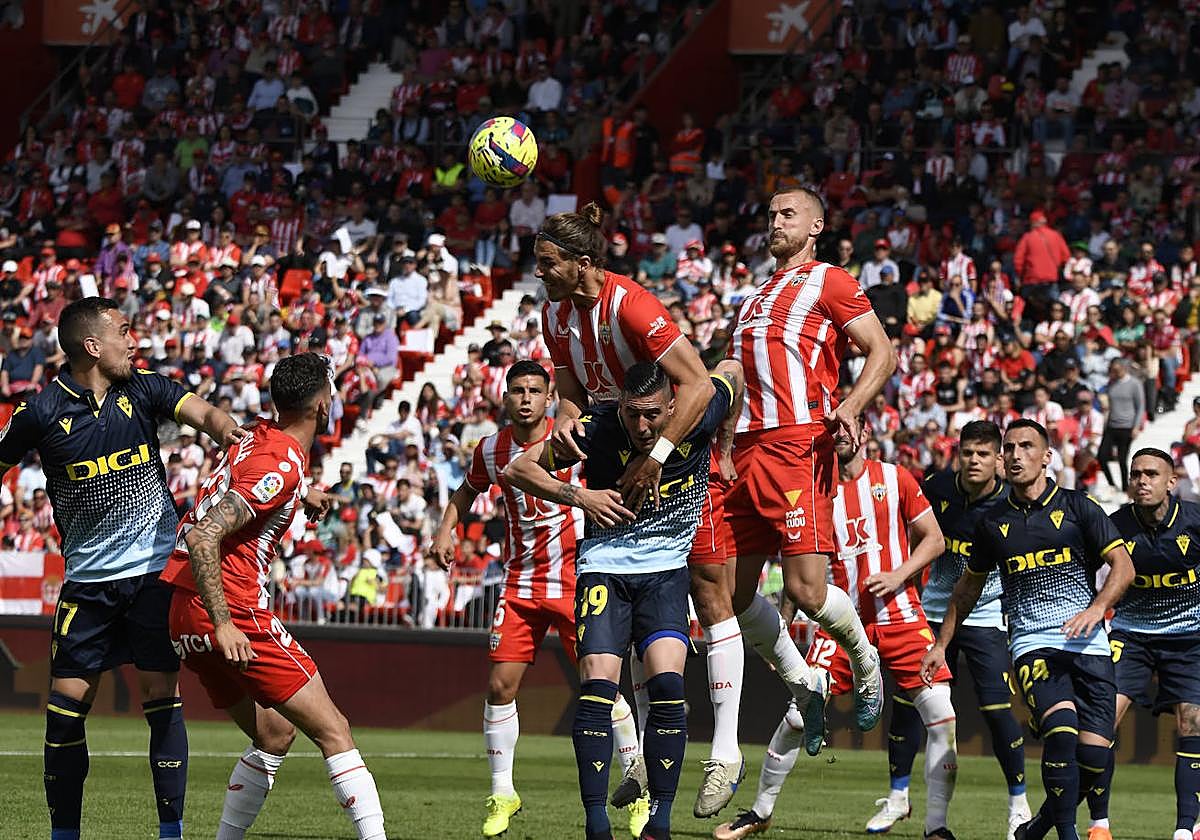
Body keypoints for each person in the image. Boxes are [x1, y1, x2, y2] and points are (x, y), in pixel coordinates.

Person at [535, 203, 749, 818]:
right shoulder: (555, 315)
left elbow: (701, 383)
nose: (539, 274)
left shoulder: (631, 305)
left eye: (548, 264)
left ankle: (726, 752)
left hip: (673, 451)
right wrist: (567, 422)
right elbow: (572, 395)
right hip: (617, 451)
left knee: (712, 593)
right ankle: (636, 761)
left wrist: (668, 454)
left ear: (582, 262)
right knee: (627, 626)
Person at [0, 296, 242, 840]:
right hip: (88, 585)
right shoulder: (40, 412)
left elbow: (205, 414)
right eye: (125, 332)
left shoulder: (144, 388)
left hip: (154, 576)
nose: (134, 342)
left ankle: (171, 833)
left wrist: (229, 432)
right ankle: (64, 834)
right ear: (93, 346)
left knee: (162, 698)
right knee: (65, 711)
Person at [505, 360, 742, 840]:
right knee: (597, 689)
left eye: (652, 414)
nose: (641, 425)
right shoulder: (596, 428)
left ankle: (659, 824)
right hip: (604, 570)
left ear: (672, 407)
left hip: (665, 573)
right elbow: (518, 468)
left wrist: (725, 447)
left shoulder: (699, 414)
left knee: (669, 688)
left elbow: (733, 371)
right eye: (632, 414)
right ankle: (596, 825)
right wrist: (580, 496)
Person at [160, 353, 388, 840]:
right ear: (322, 406)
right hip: (228, 608)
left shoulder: (258, 435)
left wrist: (302, 491)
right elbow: (204, 536)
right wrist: (225, 623)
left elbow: (261, 477)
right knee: (334, 730)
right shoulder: (281, 463)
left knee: (274, 733)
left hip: (181, 612)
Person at [429, 361, 643, 838]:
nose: (525, 398)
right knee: (500, 686)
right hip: (521, 583)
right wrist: (445, 529)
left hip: (575, 579)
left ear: (550, 398)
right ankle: (502, 792)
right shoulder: (491, 449)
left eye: (534, 391)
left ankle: (637, 789)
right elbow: (466, 491)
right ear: (505, 397)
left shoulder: (572, 438)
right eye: (517, 390)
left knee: (602, 687)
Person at [715, 423, 956, 840]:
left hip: (900, 617)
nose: (840, 433)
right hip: (839, 626)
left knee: (942, 715)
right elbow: (797, 570)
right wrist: (780, 631)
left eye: (849, 425)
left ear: (865, 431)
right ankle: (759, 812)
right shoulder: (811, 490)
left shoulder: (895, 477)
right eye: (832, 427)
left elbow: (934, 540)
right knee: (797, 715)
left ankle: (936, 827)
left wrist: (898, 574)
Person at [725, 187, 896, 752]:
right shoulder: (753, 297)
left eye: (788, 214)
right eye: (771, 214)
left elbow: (882, 352)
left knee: (806, 588)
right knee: (729, 594)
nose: (776, 222)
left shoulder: (831, 281)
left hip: (798, 444)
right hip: (742, 450)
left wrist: (852, 404)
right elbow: (734, 372)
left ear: (817, 226)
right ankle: (805, 683)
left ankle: (864, 660)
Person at [921, 419, 1134, 840]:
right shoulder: (992, 523)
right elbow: (966, 590)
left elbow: (1123, 567)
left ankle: (1037, 827)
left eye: (1027, 447)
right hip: (1032, 644)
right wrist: (941, 644)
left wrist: (1097, 608)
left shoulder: (1079, 507)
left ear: (1047, 456)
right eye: (1010, 448)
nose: (1016, 455)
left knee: (1094, 757)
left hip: (1089, 643)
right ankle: (1068, 835)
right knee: (1061, 731)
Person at [920, 421, 1032, 839]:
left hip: (987, 618)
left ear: (998, 460)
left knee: (997, 710)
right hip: (933, 613)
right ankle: (899, 796)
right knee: (922, 709)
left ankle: (1018, 804)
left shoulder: (1011, 503)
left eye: (983, 453)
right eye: (967, 452)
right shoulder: (936, 489)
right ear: (958, 454)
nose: (973, 460)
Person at [1085, 449, 1200, 840]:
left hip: (1189, 637)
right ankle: (1099, 825)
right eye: (1136, 474)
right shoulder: (1114, 525)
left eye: (1151, 474)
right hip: (1130, 635)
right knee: (1101, 722)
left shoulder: (1194, 521)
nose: (1142, 481)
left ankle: (1185, 829)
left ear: (1171, 482)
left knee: (1193, 721)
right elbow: (1084, 574)